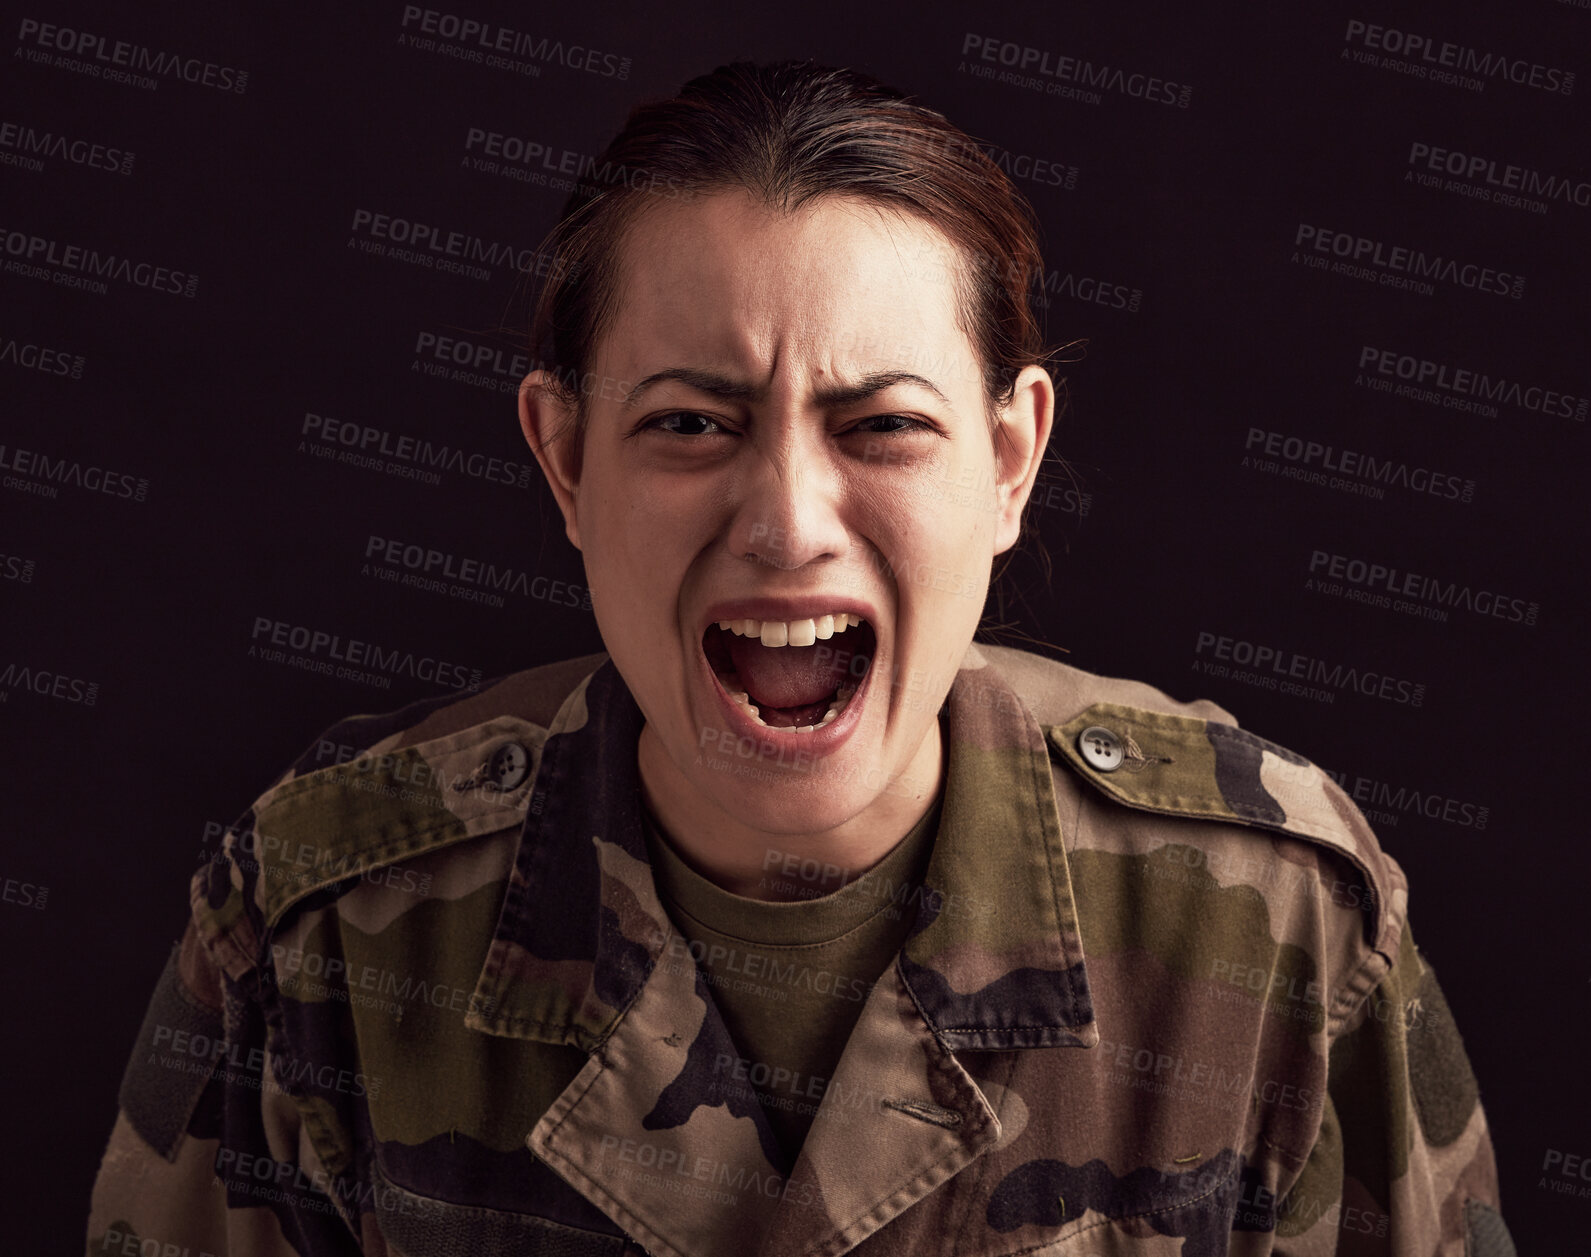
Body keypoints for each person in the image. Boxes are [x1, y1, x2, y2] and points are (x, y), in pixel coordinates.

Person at [89, 60, 1514, 1257]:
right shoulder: (320, 931)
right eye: (692, 425)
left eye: (880, 426)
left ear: (1009, 460)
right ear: (565, 456)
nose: (784, 523)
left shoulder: (1275, 922)